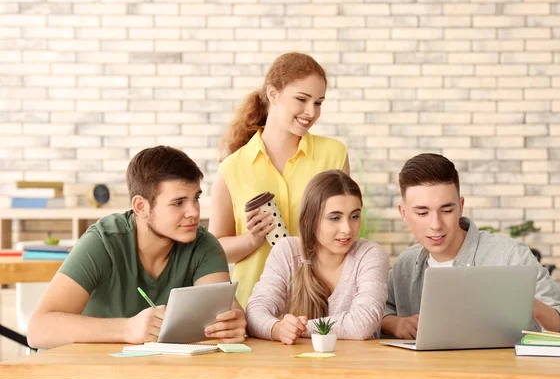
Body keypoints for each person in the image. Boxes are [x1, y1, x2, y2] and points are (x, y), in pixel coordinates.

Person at [28, 146, 247, 349]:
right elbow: (38, 329)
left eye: (196, 198)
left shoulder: (203, 245)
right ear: (141, 207)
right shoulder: (103, 241)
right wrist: (127, 329)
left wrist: (231, 323)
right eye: (178, 202)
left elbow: (220, 315)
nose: (194, 212)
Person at [381, 153, 560, 339]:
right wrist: (395, 324)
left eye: (446, 210)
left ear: (461, 206)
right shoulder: (405, 266)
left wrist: (532, 307)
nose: (435, 225)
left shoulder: (510, 257)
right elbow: (376, 311)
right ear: (404, 213)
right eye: (422, 213)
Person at [209, 52, 349, 308]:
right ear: (273, 95)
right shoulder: (233, 168)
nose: (311, 112)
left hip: (317, 303)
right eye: (301, 99)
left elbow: (346, 229)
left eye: (318, 102)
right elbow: (214, 250)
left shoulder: (334, 155)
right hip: (254, 308)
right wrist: (251, 239)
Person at [246, 170, 389, 344]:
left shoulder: (370, 255)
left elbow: (362, 324)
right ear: (311, 219)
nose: (347, 229)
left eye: (354, 216)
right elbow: (255, 313)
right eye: (335, 218)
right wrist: (278, 329)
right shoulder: (287, 251)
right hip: (296, 366)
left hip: (357, 367)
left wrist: (297, 329)